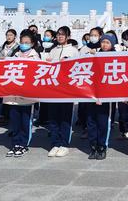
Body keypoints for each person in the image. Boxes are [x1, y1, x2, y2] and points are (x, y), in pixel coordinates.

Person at [3, 30, 40, 157]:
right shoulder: (15, 55)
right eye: (22, 42)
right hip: (13, 95)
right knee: (14, 121)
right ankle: (15, 143)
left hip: (27, 96)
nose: (24, 44)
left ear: (32, 44)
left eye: (27, 42)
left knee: (25, 121)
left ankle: (23, 144)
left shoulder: (35, 57)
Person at [43, 25, 78, 157]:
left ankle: (64, 144)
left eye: (62, 34)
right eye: (58, 34)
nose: (60, 36)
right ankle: (55, 143)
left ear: (68, 37)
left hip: (66, 91)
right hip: (53, 90)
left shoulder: (73, 51)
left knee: (65, 118)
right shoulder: (52, 51)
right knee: (53, 118)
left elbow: (77, 68)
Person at [85, 34, 117, 160]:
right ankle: (93, 146)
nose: (104, 45)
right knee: (91, 121)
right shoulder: (94, 54)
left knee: (103, 122)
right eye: (103, 42)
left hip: (106, 96)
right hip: (92, 93)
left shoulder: (116, 57)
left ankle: (102, 146)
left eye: (107, 43)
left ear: (112, 45)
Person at [0, 29, 19, 127]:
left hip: (13, 74)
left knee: (11, 97)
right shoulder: (1, 47)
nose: (9, 37)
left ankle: (11, 117)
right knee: (2, 97)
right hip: (2, 75)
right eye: (7, 35)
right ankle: (2, 116)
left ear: (15, 36)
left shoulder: (18, 47)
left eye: (11, 35)